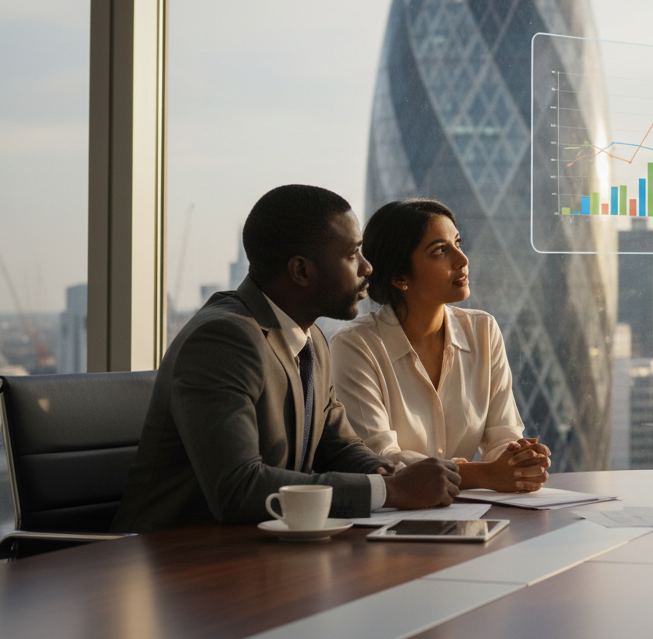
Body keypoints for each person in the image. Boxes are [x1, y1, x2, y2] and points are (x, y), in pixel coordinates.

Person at [113, 185, 463, 533]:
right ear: (301, 271)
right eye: (353, 254)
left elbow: (340, 448)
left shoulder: (310, 339)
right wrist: (390, 491)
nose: (368, 268)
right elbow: (237, 487)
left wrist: (388, 473)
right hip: (170, 557)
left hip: (256, 551)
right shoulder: (223, 339)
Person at [330, 199, 551, 492]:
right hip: (393, 519)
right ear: (400, 277)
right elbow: (380, 458)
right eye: (440, 251)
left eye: (457, 243)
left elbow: (502, 435)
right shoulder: (355, 345)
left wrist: (518, 460)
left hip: (471, 514)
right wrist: (482, 475)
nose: (462, 260)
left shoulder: (482, 330)